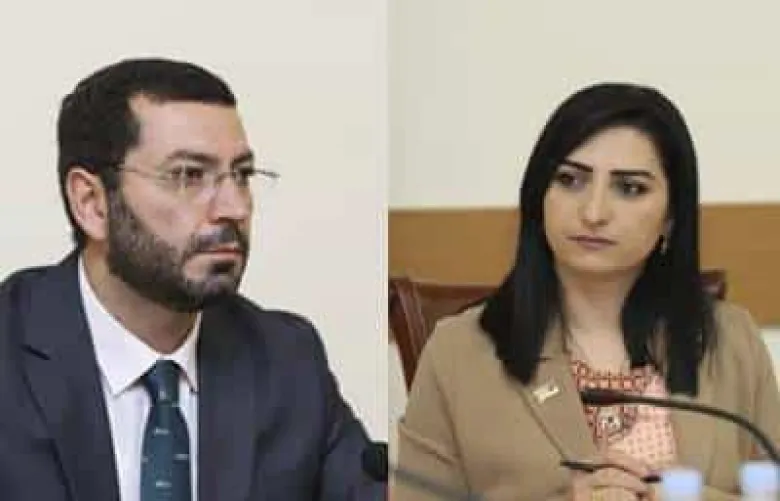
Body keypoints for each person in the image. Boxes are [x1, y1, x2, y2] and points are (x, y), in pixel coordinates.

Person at [0, 58, 385, 501]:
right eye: (188, 175)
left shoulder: (285, 360)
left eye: (242, 175)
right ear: (92, 202)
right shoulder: (11, 351)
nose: (234, 208)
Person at [393, 83, 780, 500]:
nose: (593, 213)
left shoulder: (731, 341)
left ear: (671, 217)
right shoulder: (458, 354)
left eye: (629, 188)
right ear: (539, 197)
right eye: (570, 180)